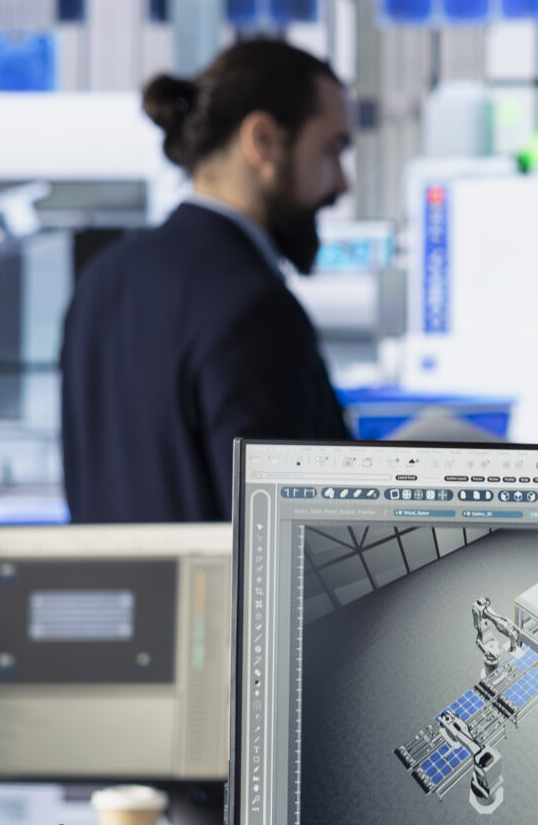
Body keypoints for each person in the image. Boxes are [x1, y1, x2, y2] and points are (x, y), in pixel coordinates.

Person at [59, 38, 353, 523]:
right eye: (332, 149)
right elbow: (286, 546)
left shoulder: (103, 280)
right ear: (263, 141)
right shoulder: (254, 305)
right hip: (214, 602)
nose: (342, 183)